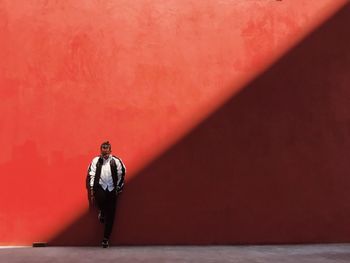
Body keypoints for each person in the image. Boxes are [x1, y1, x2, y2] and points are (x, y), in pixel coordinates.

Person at [87, 141, 126, 248]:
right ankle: (102, 211)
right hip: (100, 187)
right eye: (103, 152)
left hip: (112, 189)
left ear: (110, 151)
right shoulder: (95, 161)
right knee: (100, 199)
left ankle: (105, 239)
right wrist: (91, 188)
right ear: (101, 151)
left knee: (111, 214)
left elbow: (121, 173)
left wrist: (118, 187)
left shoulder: (116, 161)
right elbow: (92, 173)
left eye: (106, 152)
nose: (104, 154)